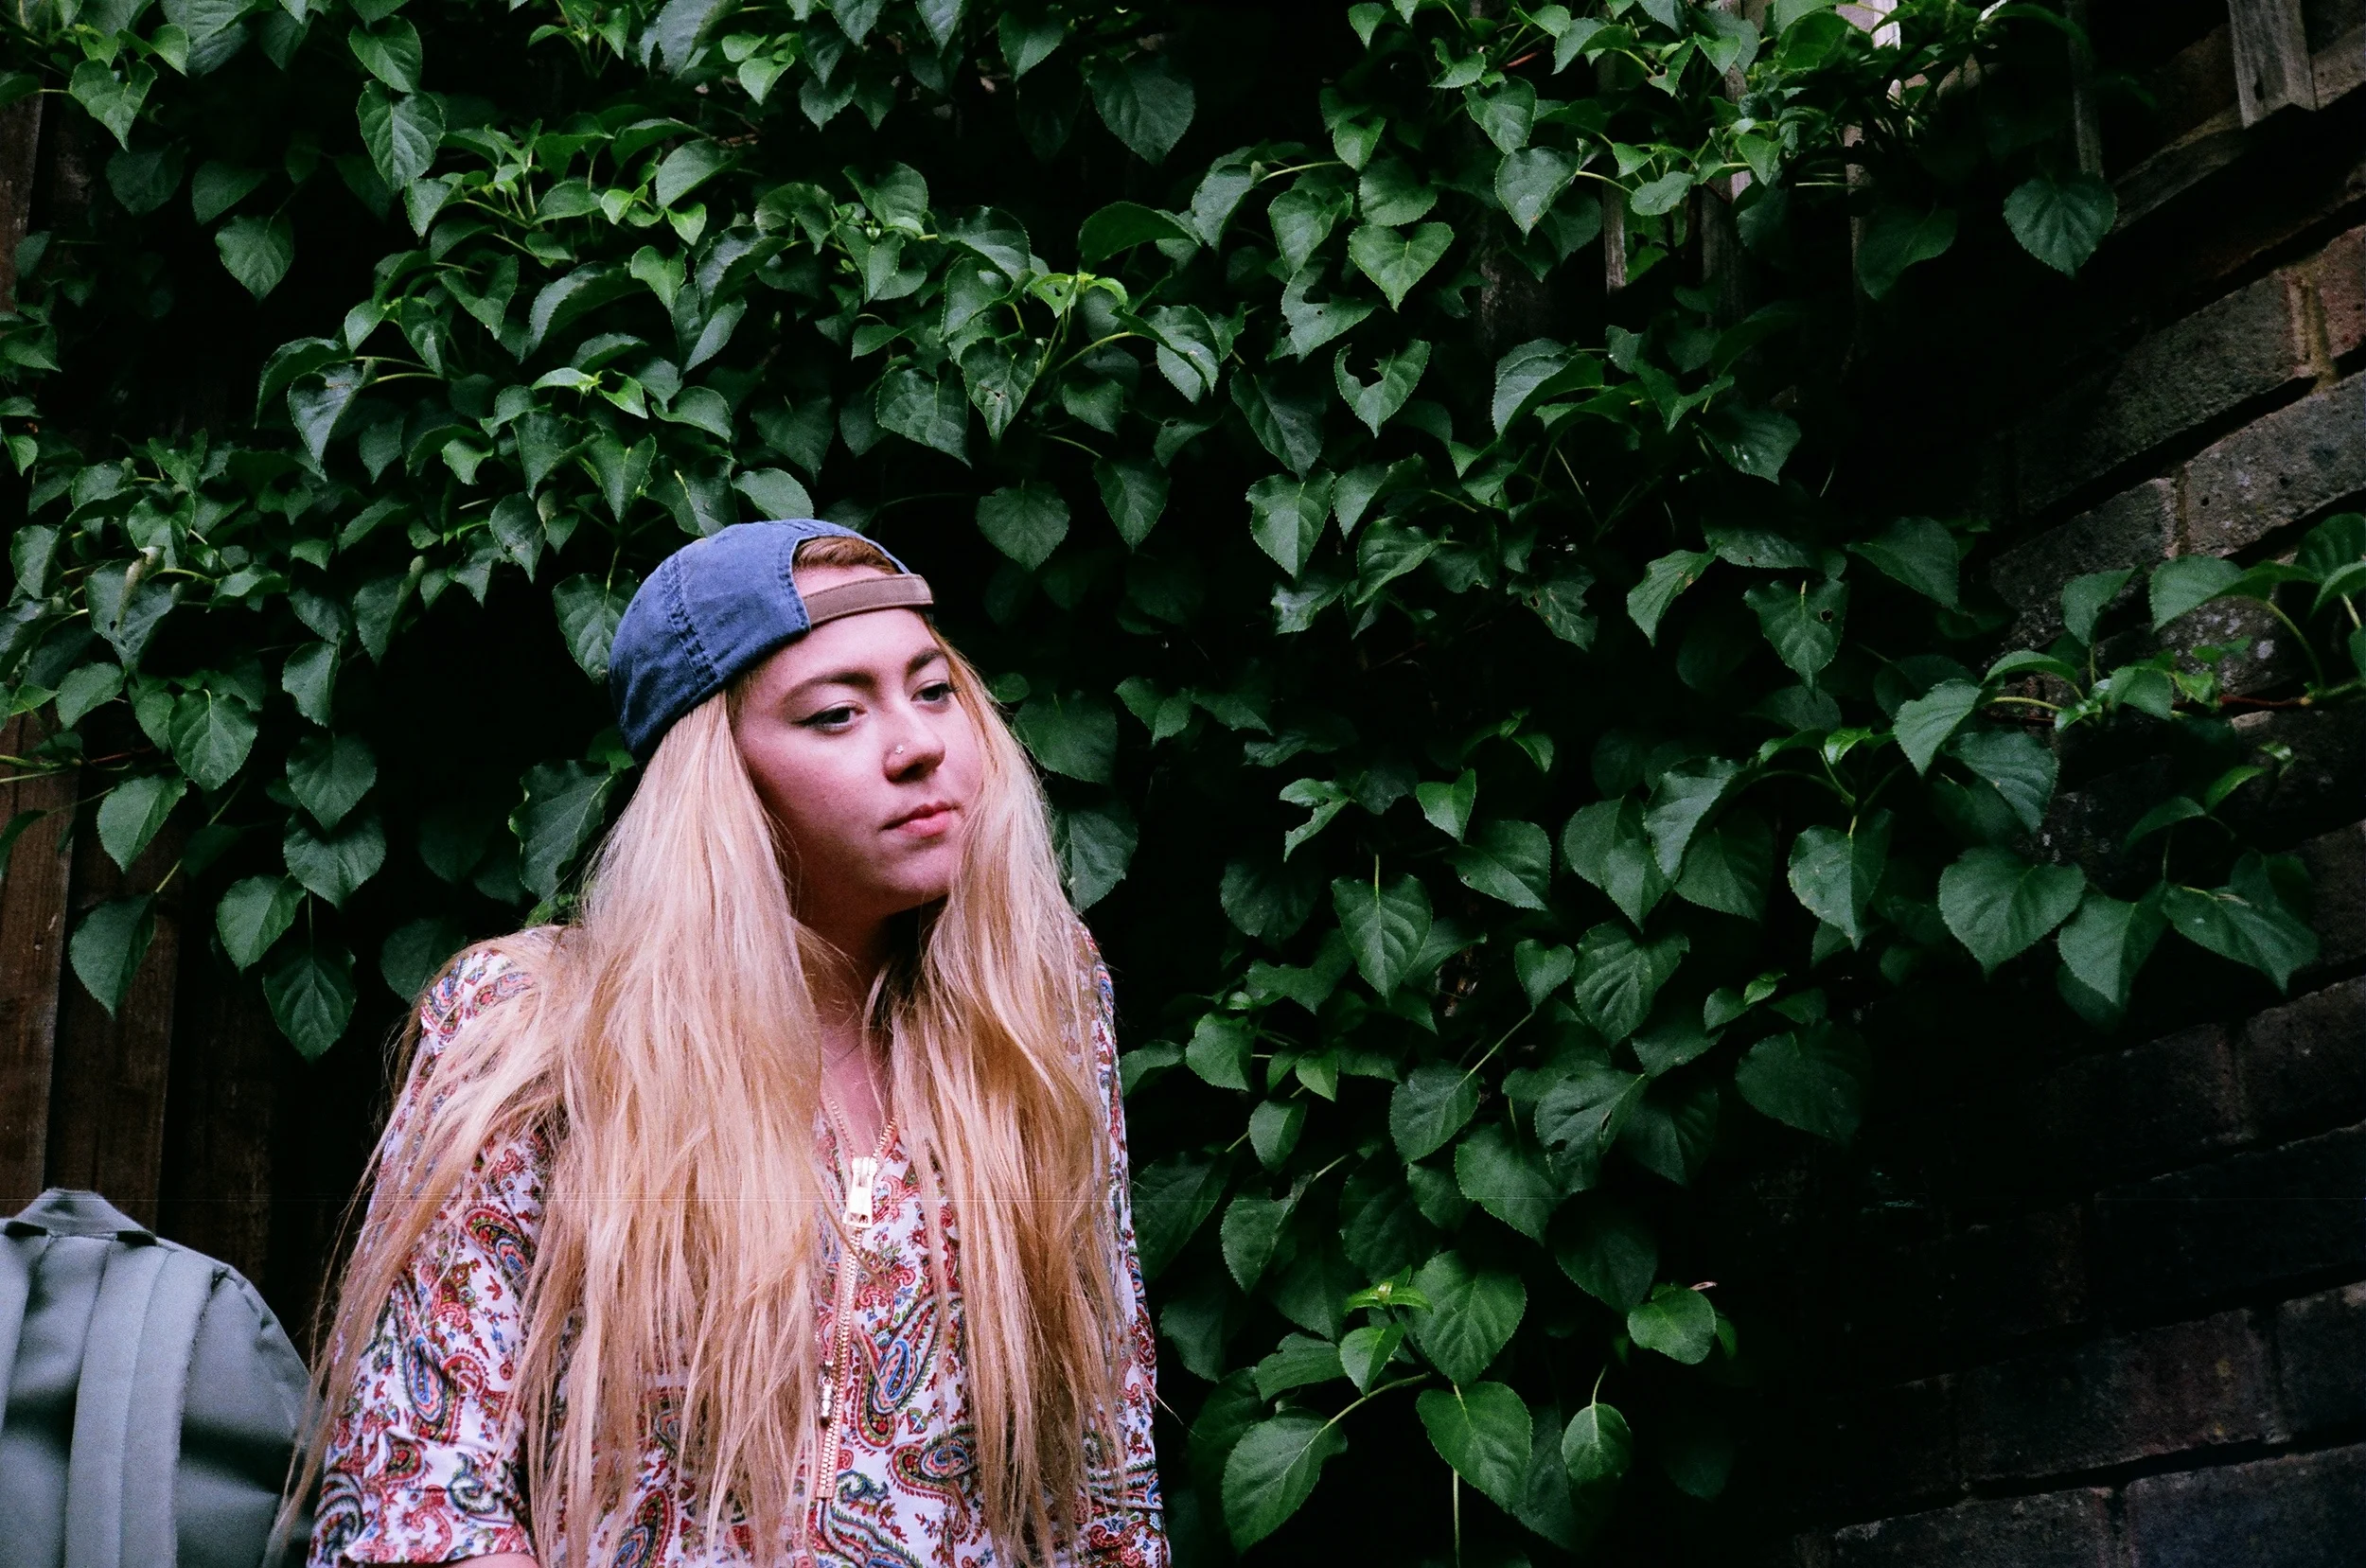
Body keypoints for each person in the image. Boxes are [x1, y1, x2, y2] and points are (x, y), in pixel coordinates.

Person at [300, 520, 1166, 1568]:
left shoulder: (1033, 1005)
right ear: (717, 779)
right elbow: (413, 1497)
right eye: (837, 712)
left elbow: (1106, 1465)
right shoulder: (536, 1028)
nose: (919, 746)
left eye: (935, 690)